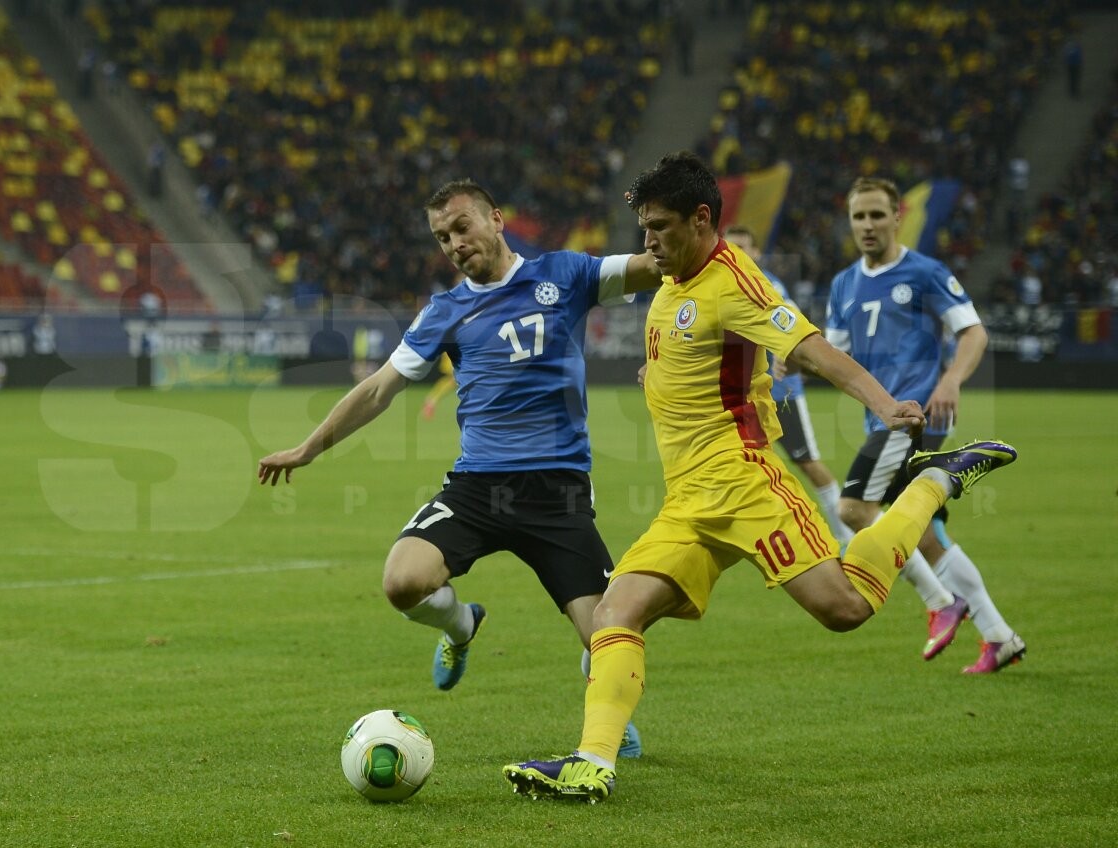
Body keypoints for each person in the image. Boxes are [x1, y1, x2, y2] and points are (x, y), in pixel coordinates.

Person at [502, 151, 1017, 803]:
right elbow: (703, 359)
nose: (648, 242)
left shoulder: (734, 282)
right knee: (615, 612)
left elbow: (809, 347)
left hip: (745, 485)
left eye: (659, 227)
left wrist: (885, 405)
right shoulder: (671, 278)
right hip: (688, 500)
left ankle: (934, 483)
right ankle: (591, 764)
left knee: (845, 608)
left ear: (701, 219)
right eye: (643, 230)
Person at [258, 178, 663, 756]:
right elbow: (378, 390)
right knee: (402, 581)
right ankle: (461, 627)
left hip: (557, 492)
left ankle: (607, 710)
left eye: (461, 226)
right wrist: (308, 447)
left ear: (496, 219)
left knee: (611, 637)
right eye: (441, 236)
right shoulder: (444, 310)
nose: (452, 243)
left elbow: (659, 265)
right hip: (478, 487)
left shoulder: (567, 274)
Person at [828, 176, 1025, 674]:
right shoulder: (843, 285)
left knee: (853, 507)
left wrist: (952, 380)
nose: (867, 225)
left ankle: (940, 601)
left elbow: (973, 332)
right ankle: (999, 636)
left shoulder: (923, 272)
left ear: (897, 217)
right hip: (879, 418)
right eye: (859, 216)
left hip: (913, 418)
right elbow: (832, 356)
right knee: (923, 535)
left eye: (877, 215)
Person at [722, 225, 855, 548]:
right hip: (745, 398)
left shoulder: (769, 284)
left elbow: (796, 324)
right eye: (731, 248)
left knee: (807, 462)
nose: (738, 254)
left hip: (782, 393)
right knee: (739, 464)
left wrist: (789, 354)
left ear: (756, 253)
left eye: (744, 247)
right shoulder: (721, 285)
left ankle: (846, 535)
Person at [420, 352, 457, 420]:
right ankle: (432, 401)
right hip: (455, 350)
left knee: (452, 379)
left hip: (457, 349)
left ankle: (430, 399)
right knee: (454, 379)